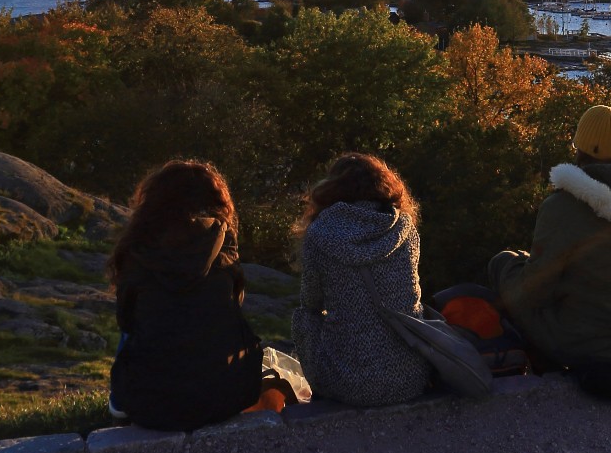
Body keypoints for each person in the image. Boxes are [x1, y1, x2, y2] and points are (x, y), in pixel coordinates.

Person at [488, 104, 611, 370]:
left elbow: (534, 291)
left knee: (504, 263)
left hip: (584, 346)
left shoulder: (562, 206)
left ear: (579, 147)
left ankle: (514, 361)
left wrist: (511, 266)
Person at [108, 159, 293, 431]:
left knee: (133, 330)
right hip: (227, 397)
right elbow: (233, 306)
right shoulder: (223, 241)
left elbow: (125, 318)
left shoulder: (138, 247)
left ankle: (120, 406)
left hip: (149, 406)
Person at [291, 153, 431, 406]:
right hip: (410, 379)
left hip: (348, 384)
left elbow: (310, 302)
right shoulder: (405, 229)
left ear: (332, 189)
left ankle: (321, 390)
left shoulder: (319, 233)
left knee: (304, 317)